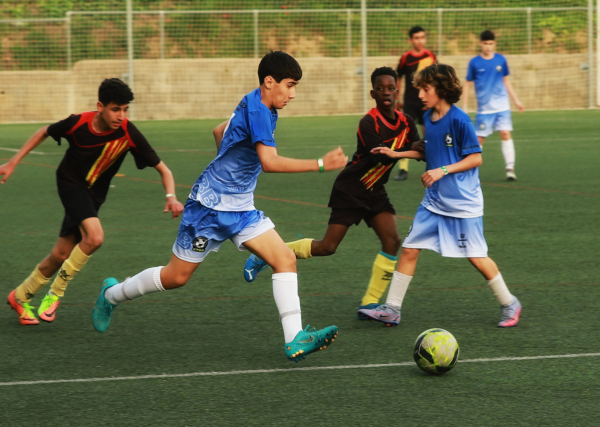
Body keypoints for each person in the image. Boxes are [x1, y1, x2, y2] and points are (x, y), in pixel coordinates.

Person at [91, 51, 348, 362]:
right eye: (290, 85)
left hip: (240, 209)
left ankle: (294, 338)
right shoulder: (260, 111)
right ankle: (111, 295)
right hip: (208, 210)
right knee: (176, 278)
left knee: (284, 259)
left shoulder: (256, 102)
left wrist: (230, 176)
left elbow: (219, 130)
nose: (293, 94)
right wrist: (322, 164)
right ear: (270, 82)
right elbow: (268, 162)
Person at [243, 67, 422, 320]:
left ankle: (371, 305)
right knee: (327, 247)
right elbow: (379, 153)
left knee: (392, 241)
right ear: (372, 93)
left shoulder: (407, 121)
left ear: (397, 90)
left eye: (390, 88)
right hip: (351, 188)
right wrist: (411, 148)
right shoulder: (368, 122)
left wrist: (425, 147)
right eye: (380, 89)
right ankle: (269, 253)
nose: (386, 93)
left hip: (375, 190)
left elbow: (420, 149)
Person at [1, 78, 184, 326]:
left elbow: (164, 170)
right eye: (115, 109)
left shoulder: (128, 132)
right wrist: (13, 162)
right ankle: (54, 295)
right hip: (70, 184)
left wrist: (171, 197)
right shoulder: (78, 123)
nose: (121, 115)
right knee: (95, 237)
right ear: (100, 106)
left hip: (93, 196)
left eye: (124, 109)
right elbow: (44, 131)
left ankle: (19, 297)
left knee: (61, 254)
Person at [359, 63, 522, 328]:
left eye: (425, 89)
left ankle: (509, 303)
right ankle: (392, 308)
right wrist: (397, 154)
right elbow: (428, 152)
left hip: (463, 204)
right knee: (410, 249)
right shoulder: (427, 119)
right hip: (434, 202)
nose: (420, 94)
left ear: (442, 89)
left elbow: (475, 158)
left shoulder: (459, 119)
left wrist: (442, 171)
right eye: (419, 89)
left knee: (477, 258)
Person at [463, 30, 524, 181]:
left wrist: (516, 100)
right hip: (485, 110)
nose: (488, 47)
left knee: (505, 133)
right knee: (479, 140)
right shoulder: (474, 62)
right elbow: (468, 84)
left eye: (491, 44)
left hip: (502, 107)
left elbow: (506, 81)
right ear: (480, 44)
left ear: (494, 44)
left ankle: (510, 168)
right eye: (485, 44)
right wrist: (464, 106)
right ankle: (470, 171)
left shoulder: (501, 60)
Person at [394, 25, 436, 182]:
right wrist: (397, 99)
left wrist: (434, 100)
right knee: (405, 135)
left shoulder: (430, 56)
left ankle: (432, 166)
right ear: (410, 40)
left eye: (423, 37)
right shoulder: (406, 58)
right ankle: (403, 169)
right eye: (417, 38)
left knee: (429, 135)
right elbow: (398, 77)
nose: (420, 41)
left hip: (426, 104)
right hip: (409, 103)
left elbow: (436, 78)